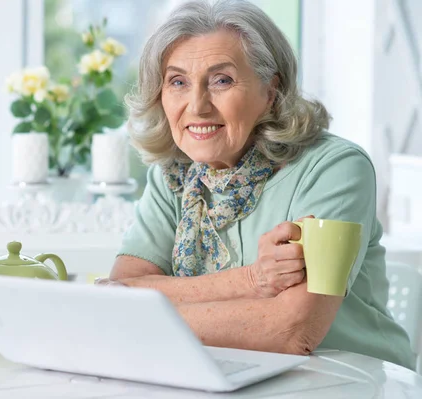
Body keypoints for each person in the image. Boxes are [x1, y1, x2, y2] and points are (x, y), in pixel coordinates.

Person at [100, 0, 416, 369]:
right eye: (178, 82)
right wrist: (252, 281)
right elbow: (120, 297)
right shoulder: (172, 174)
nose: (197, 106)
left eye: (222, 80)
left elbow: (293, 330)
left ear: (271, 91)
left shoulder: (335, 168)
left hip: (349, 378)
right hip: (219, 374)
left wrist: (145, 310)